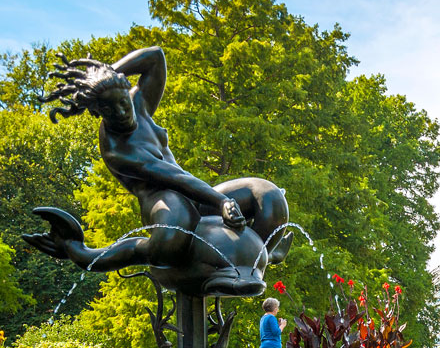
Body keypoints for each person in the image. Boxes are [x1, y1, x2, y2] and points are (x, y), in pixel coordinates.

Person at [23, 47, 290, 275]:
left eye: (121, 102)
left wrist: (109, 75)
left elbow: (155, 57)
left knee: (268, 195)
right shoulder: (119, 150)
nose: (121, 112)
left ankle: (264, 256)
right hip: (164, 201)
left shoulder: (139, 103)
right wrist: (221, 201)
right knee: (172, 238)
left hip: (195, 194)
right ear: (96, 111)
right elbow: (173, 177)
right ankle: (77, 249)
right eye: (108, 109)